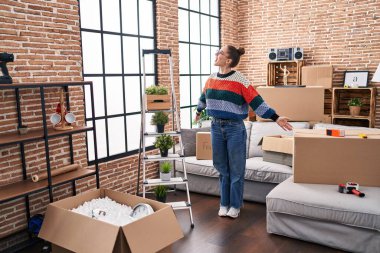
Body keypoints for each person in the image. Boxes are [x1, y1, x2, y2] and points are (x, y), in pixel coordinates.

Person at [194, 45, 293, 218]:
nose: (216, 55)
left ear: (229, 60)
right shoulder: (210, 79)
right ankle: (224, 203)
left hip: (235, 129)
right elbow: (203, 97)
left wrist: (276, 117)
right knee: (221, 167)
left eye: (220, 53)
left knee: (236, 169)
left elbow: (257, 102)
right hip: (216, 127)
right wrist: (198, 111)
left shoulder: (240, 80)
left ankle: (235, 205)